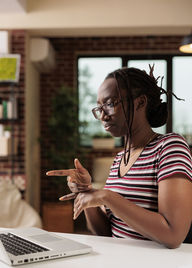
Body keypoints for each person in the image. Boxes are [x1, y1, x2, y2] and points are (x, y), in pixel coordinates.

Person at [47, 65, 192, 248]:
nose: (103, 116)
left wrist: (107, 196)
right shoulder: (120, 159)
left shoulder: (169, 147)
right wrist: (86, 192)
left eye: (109, 104)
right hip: (119, 263)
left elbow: (173, 235)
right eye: (99, 108)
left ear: (140, 103)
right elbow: (107, 232)